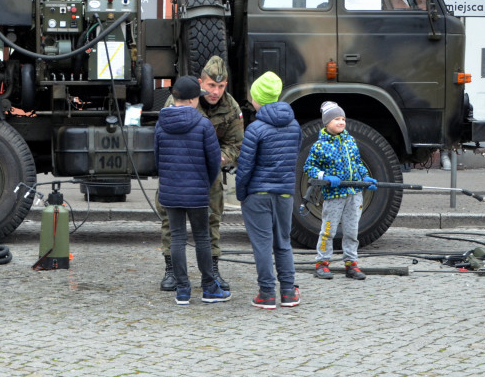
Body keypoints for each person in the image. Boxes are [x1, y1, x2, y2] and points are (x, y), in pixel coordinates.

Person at [158, 55, 244, 291]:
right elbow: (162, 138)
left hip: (209, 174)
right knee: (170, 224)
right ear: (200, 82)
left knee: (211, 221)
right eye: (211, 86)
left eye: (221, 86)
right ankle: (172, 272)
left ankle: (212, 271)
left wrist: (220, 158)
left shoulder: (231, 106)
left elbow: (236, 142)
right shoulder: (178, 100)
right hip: (177, 173)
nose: (216, 91)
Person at [235, 72, 302, 309]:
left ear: (257, 99)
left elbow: (245, 167)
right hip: (284, 193)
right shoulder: (294, 125)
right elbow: (294, 155)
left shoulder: (256, 128)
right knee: (283, 242)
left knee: (262, 244)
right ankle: (288, 292)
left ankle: (266, 293)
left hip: (258, 194)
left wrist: (241, 193)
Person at [302, 101, 377, 280]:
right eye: (336, 119)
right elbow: (309, 168)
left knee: (352, 231)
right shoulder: (320, 146)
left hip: (354, 194)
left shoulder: (350, 141)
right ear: (326, 123)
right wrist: (325, 177)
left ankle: (351, 264)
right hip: (334, 196)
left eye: (343, 118)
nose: (341, 122)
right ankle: (322, 263)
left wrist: (365, 177)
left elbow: (358, 163)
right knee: (328, 231)